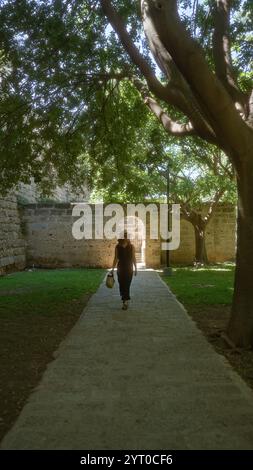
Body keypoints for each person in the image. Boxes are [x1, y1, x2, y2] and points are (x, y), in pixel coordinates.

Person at [112, 230, 137, 310]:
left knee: (127, 284)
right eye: (124, 236)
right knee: (121, 284)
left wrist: (136, 268)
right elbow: (115, 258)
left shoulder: (132, 246)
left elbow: (133, 257)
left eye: (127, 236)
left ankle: (125, 301)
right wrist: (112, 268)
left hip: (129, 268)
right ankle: (124, 299)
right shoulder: (117, 247)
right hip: (120, 268)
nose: (126, 238)